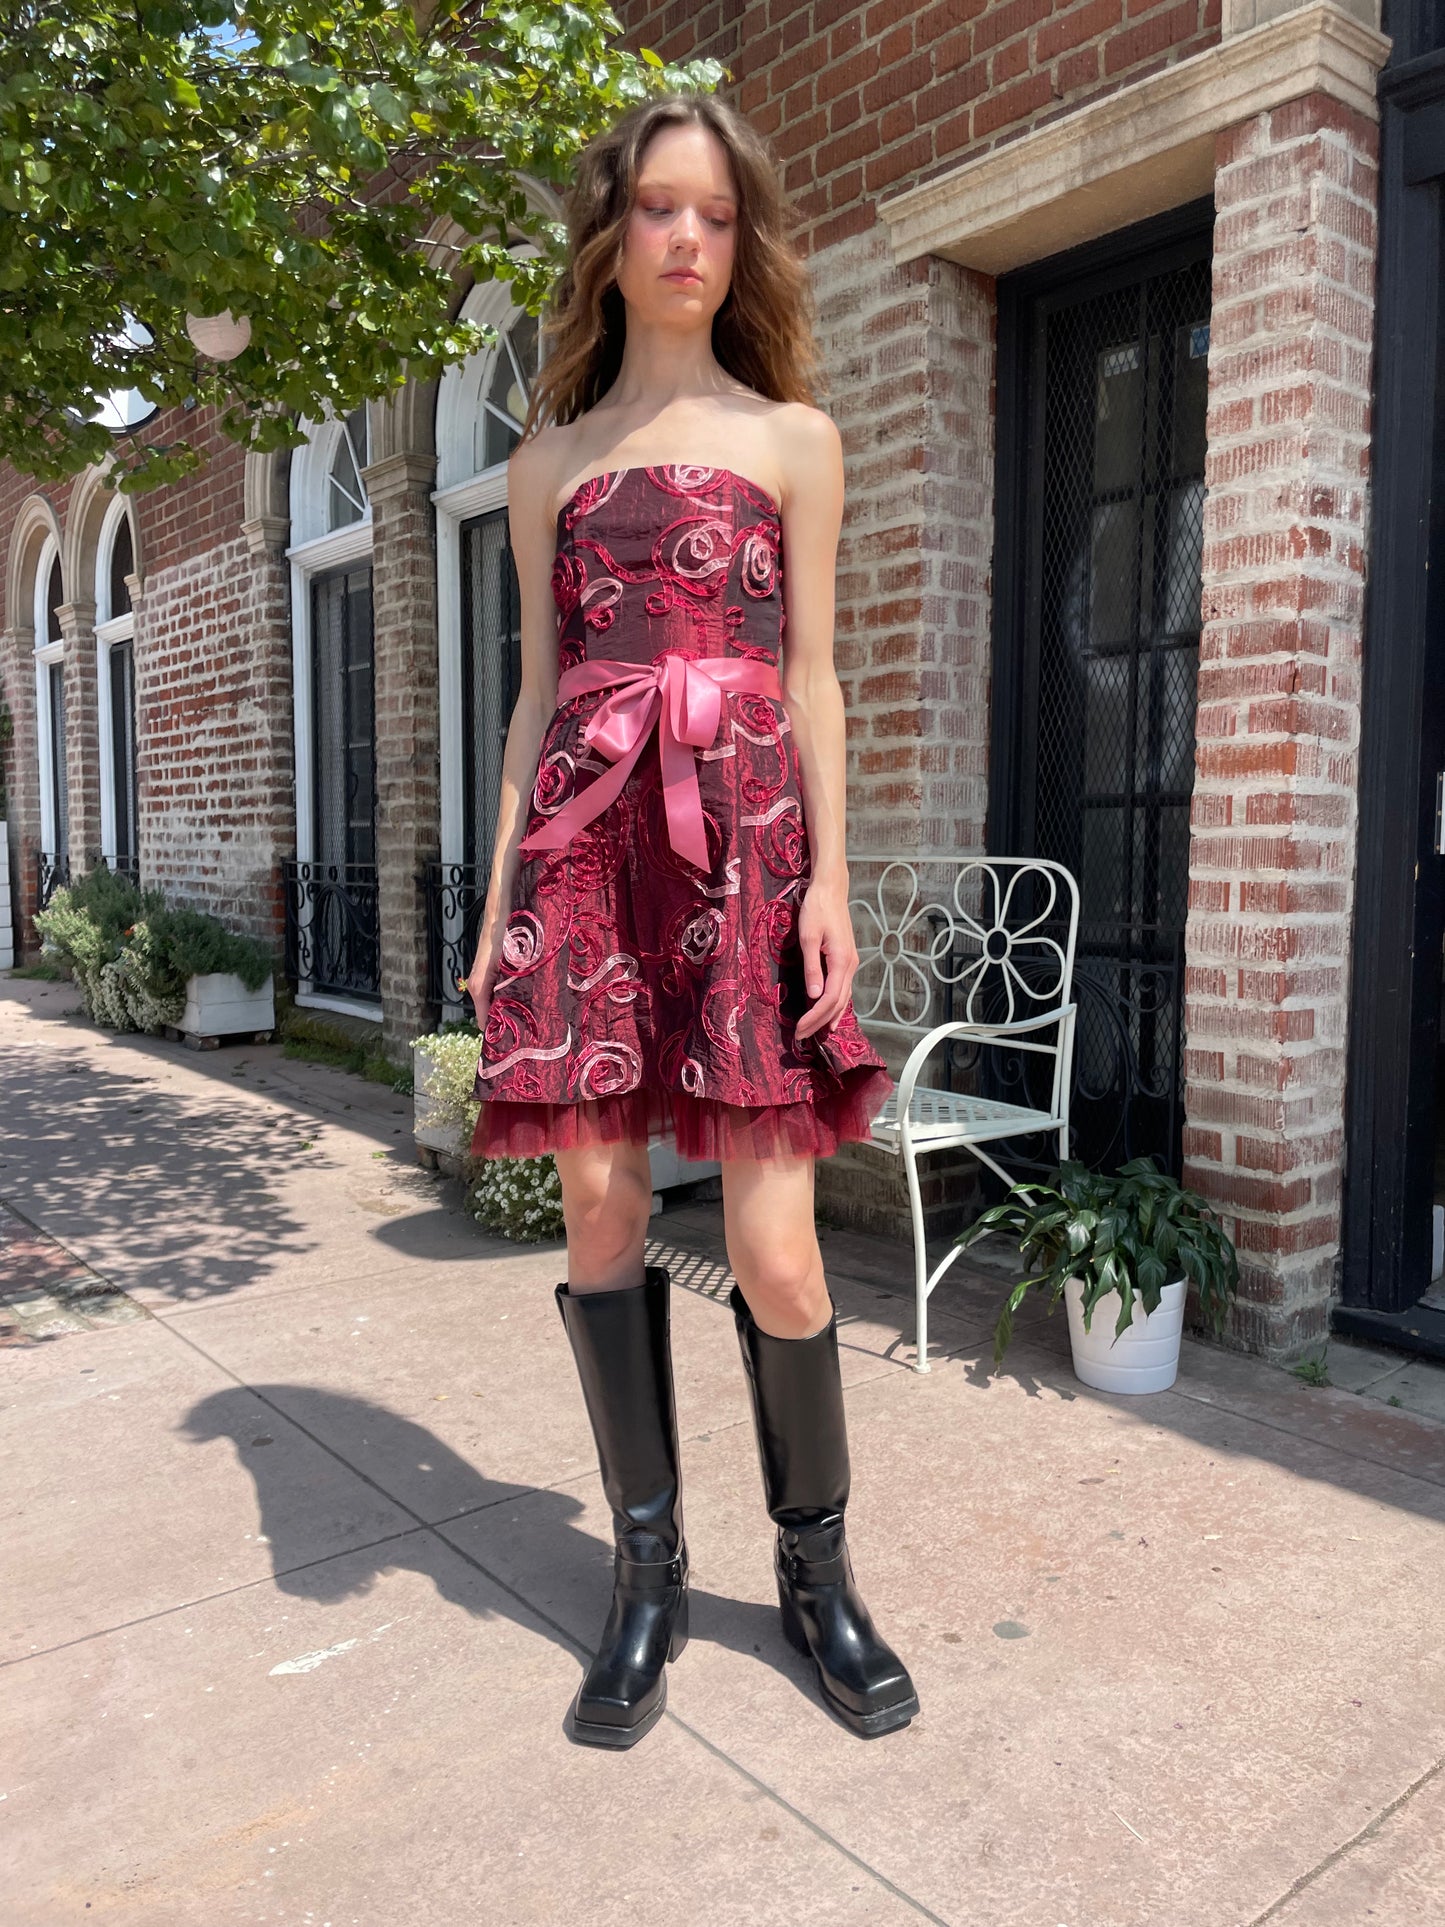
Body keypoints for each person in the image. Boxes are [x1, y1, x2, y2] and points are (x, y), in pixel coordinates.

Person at [464, 91, 919, 1749]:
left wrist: (835, 890)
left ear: (742, 242)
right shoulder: (545, 462)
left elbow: (811, 676)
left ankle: (818, 1578)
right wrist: (504, 893)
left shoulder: (793, 437)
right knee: (596, 1223)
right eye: (659, 207)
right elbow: (533, 699)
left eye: (715, 216)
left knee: (774, 1244)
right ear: (612, 232)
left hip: (743, 851)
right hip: (587, 854)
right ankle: (644, 1576)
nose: (685, 239)